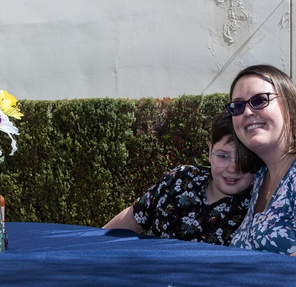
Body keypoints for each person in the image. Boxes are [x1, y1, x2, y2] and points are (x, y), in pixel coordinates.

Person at [103, 111, 256, 245]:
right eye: (223, 156)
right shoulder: (179, 179)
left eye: (244, 159)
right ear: (210, 152)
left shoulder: (255, 207)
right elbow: (133, 218)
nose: (233, 168)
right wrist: (93, 243)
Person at [226, 64, 296, 255]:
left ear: (289, 104)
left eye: (259, 100)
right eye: (238, 106)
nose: (247, 112)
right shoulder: (259, 177)